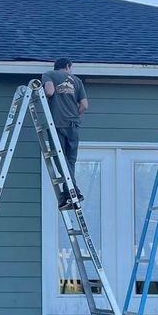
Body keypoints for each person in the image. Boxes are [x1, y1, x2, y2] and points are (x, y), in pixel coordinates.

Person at [43, 57, 88, 208]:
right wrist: (74, 114)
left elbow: (49, 92)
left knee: (59, 158)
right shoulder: (77, 81)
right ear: (68, 66)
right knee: (70, 161)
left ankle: (74, 190)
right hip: (73, 124)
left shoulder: (49, 74)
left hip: (57, 123)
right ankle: (67, 195)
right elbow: (84, 105)